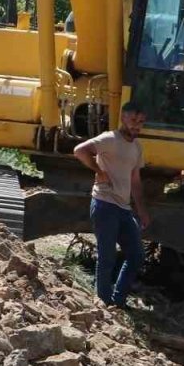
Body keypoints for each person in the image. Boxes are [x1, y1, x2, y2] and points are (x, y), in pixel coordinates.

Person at [73, 103, 152, 308]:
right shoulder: (109, 139)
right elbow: (80, 151)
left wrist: (142, 210)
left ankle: (118, 301)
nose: (137, 126)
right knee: (107, 256)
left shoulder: (136, 147)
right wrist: (99, 171)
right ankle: (103, 303)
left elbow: (135, 180)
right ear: (124, 118)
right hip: (104, 204)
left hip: (124, 208)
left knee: (136, 255)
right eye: (134, 120)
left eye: (141, 122)